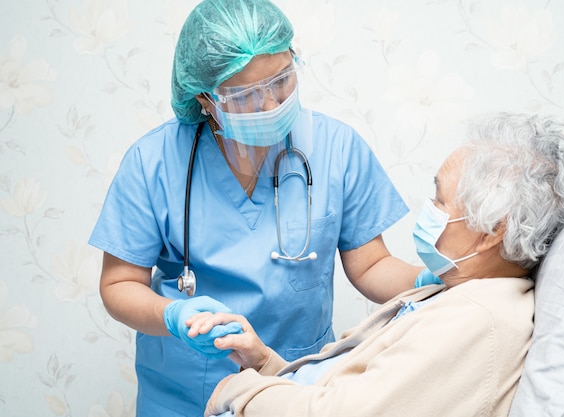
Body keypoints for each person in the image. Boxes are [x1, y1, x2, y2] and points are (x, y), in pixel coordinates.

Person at [88, 0, 428, 415]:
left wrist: (433, 279)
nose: (271, 105)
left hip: (295, 384)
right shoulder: (153, 162)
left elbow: (371, 265)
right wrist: (174, 315)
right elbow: (119, 284)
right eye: (248, 94)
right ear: (206, 99)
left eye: (282, 80)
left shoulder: (337, 148)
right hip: (185, 393)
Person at [191, 112, 564, 417]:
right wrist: (265, 363)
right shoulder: (459, 293)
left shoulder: (477, 320)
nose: (429, 210)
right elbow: (353, 386)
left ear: (493, 229)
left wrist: (238, 390)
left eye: (439, 200)